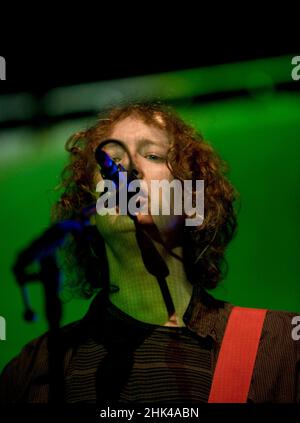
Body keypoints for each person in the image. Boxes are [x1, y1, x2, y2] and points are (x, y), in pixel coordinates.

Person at [0, 102, 299, 404]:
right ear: (90, 213)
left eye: (153, 155)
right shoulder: (33, 372)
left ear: (191, 202)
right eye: (112, 161)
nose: (127, 170)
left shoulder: (280, 350)